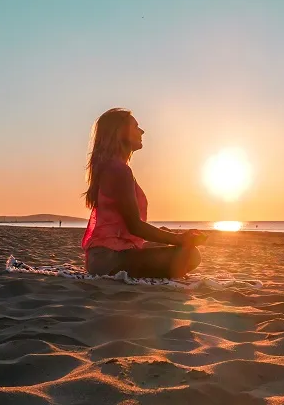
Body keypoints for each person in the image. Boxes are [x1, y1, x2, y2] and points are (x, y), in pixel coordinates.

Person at [81, 108, 206, 278]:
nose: (142, 131)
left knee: (169, 242)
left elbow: (128, 226)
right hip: (109, 259)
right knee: (191, 255)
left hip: (104, 255)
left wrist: (167, 235)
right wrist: (180, 238)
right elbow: (135, 226)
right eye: (135, 126)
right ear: (120, 132)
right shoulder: (119, 170)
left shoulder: (113, 167)